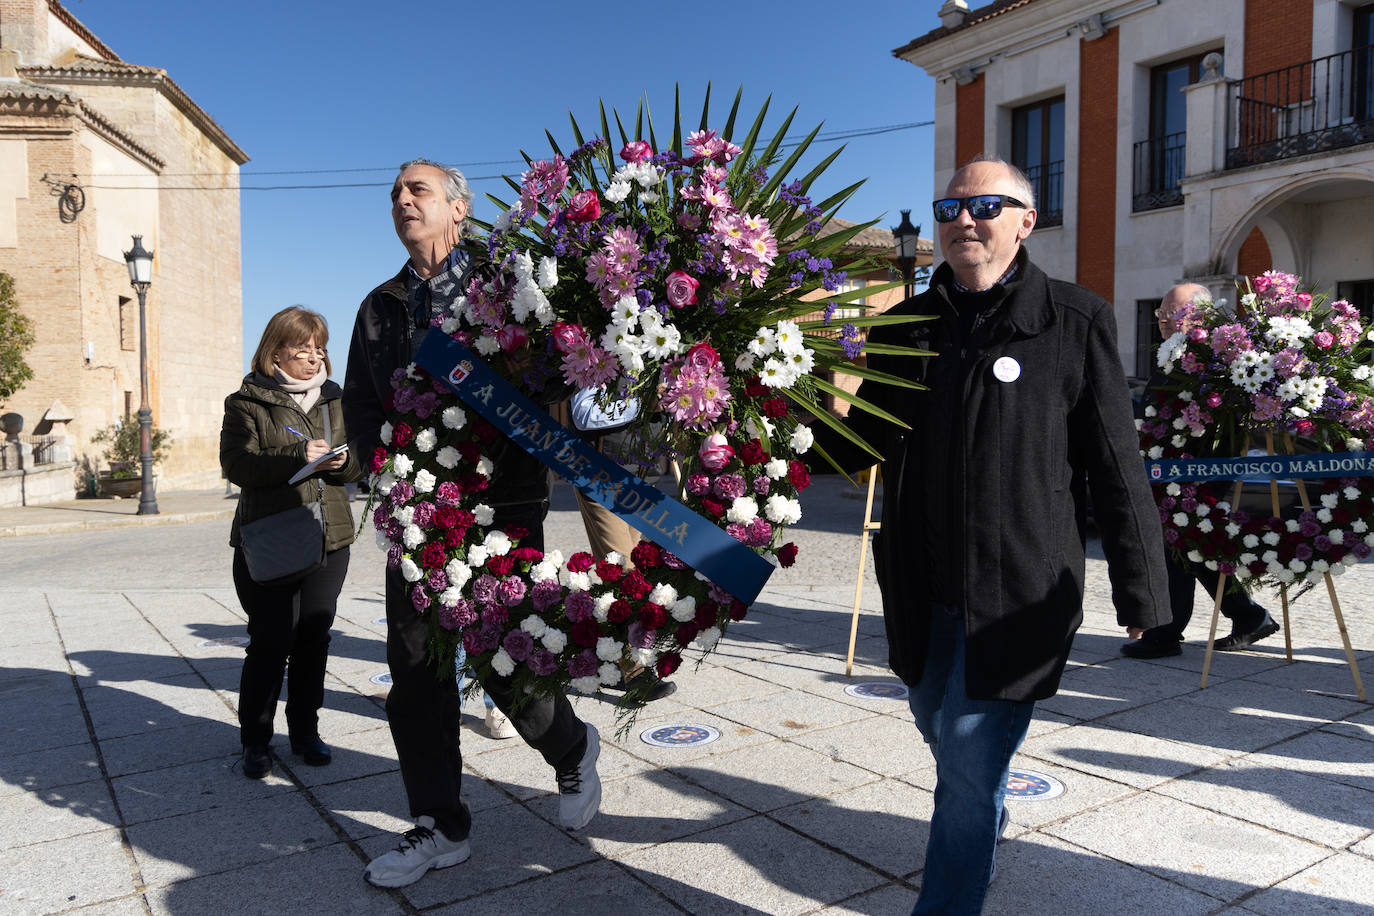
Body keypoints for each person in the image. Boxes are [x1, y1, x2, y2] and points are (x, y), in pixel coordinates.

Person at [823, 156, 1170, 915]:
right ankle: (981, 810)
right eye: (948, 209)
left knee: (970, 765)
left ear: (1025, 220)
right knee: (933, 720)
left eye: (984, 205)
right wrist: (761, 418)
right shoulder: (904, 328)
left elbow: (1116, 462)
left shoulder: (1073, 320)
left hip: (1020, 592)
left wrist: (1141, 587)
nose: (961, 222)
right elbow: (857, 447)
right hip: (921, 585)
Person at [343, 158, 601, 889]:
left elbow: (552, 378)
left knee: (507, 657)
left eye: (417, 190)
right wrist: (377, 458)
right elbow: (361, 401)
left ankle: (573, 750)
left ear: (460, 209)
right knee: (416, 668)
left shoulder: (508, 286)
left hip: (504, 503)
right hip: (417, 515)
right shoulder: (380, 306)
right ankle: (438, 824)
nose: (402, 201)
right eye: (396, 193)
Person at [221, 307, 361, 779]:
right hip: (272, 537)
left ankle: (305, 732)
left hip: (330, 537)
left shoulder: (337, 400)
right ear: (276, 349)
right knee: (270, 640)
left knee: (314, 639)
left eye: (319, 347)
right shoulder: (246, 402)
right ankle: (255, 741)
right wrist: (294, 456)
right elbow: (238, 466)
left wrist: (341, 464)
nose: (312, 356)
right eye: (302, 347)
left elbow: (361, 462)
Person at [1122, 283, 1279, 659]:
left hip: (1196, 472)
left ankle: (1165, 633)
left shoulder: (1209, 360)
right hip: (1170, 469)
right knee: (1196, 550)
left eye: (1170, 312)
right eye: (1159, 312)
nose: (1161, 319)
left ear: (1199, 316)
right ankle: (1248, 616)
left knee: (1178, 549)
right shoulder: (1173, 353)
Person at [565, 387, 676, 702]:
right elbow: (583, 414)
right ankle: (631, 672)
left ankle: (609, 657)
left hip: (640, 477)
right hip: (600, 475)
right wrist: (643, 402)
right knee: (624, 573)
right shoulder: (601, 346)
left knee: (637, 573)